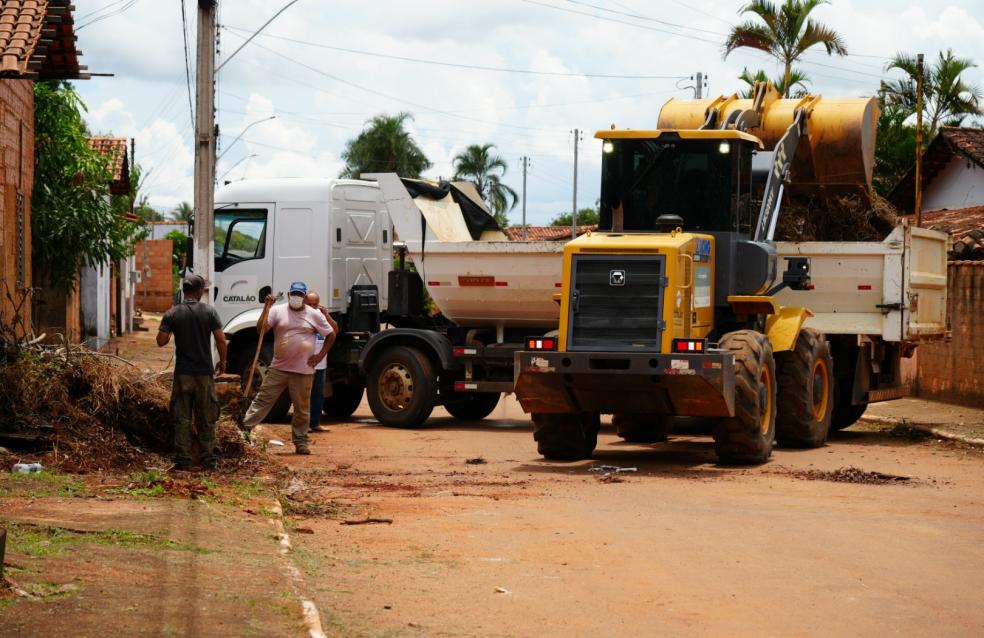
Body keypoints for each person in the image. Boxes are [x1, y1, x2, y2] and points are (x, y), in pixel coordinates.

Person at [242, 281, 334, 454]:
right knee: (262, 400)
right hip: (279, 368)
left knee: (302, 408)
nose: (296, 297)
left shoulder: (313, 314)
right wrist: (266, 308)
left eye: (300, 294)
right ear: (289, 294)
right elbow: (261, 330)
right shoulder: (277, 311)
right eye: (294, 294)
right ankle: (244, 430)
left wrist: (320, 355)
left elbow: (331, 334)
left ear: (304, 297)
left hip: (303, 370)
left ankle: (301, 442)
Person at [156, 274, 228, 471]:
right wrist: (223, 361)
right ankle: (208, 461)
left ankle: (183, 461)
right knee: (207, 418)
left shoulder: (172, 313)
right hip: (204, 373)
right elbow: (221, 340)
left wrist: (172, 327)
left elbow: (161, 341)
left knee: (182, 419)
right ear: (199, 291)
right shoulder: (209, 312)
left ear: (184, 290)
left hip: (183, 374)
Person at [305, 291, 339, 433]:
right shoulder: (303, 316)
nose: (313, 307)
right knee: (305, 395)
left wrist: (326, 315)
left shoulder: (321, 316)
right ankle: (304, 424)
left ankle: (315, 422)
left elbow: (335, 330)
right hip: (306, 363)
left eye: (315, 304)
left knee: (318, 395)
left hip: (321, 363)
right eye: (310, 304)